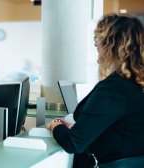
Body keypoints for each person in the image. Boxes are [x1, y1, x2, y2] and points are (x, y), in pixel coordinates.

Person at [47, 14, 144, 167]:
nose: (95, 45)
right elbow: (124, 130)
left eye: (98, 40)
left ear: (112, 45)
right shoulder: (136, 83)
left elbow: (73, 144)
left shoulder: (114, 89)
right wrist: (86, 128)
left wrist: (55, 126)